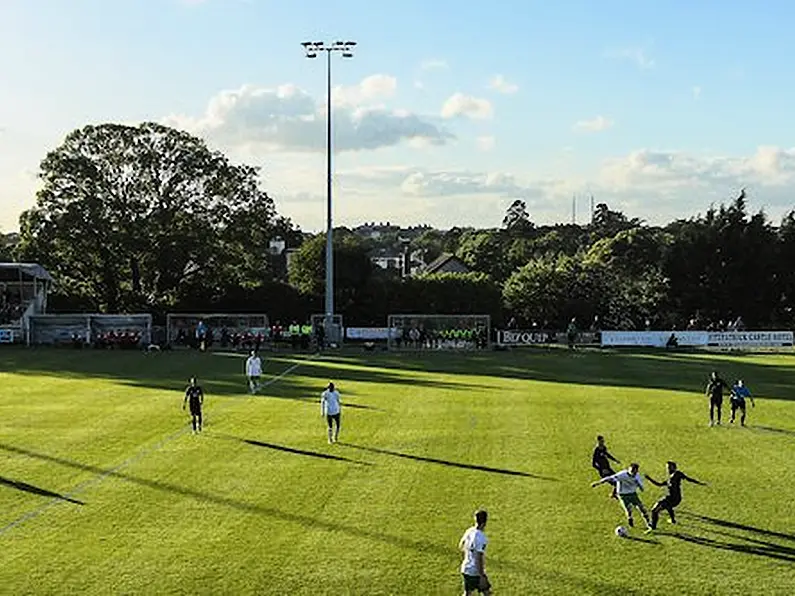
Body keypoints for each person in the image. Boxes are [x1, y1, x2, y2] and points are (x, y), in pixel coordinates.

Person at [645, 461, 706, 532]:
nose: (668, 469)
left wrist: (699, 483)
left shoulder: (677, 474)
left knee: (654, 510)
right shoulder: (669, 478)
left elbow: (688, 478)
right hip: (672, 499)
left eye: (670, 467)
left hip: (674, 499)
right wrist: (649, 479)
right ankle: (672, 520)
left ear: (674, 468)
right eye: (667, 467)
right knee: (667, 506)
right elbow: (659, 484)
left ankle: (653, 527)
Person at [592, 463, 652, 530]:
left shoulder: (637, 477)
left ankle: (648, 523)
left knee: (642, 508)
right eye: (632, 471)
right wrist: (597, 483)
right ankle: (630, 518)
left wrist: (639, 485)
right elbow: (609, 478)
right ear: (628, 469)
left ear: (637, 471)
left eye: (634, 472)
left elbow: (642, 488)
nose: (633, 473)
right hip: (622, 495)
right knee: (628, 509)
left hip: (633, 494)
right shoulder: (622, 474)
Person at [458, 509, 491, 595]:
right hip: (475, 572)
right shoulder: (482, 538)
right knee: (486, 592)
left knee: (467, 593)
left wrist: (468, 555)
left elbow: (461, 545)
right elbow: (478, 557)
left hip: (465, 568)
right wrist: (481, 575)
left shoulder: (469, 531)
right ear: (485, 522)